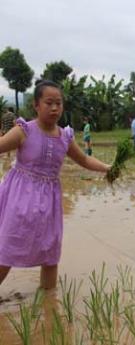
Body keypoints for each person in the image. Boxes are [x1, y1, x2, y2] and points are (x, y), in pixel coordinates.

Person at [0, 80, 111, 289]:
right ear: (36, 105)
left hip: (49, 202)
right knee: (7, 248)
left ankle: (49, 302)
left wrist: (108, 168)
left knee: (50, 251)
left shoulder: (65, 137)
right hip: (19, 198)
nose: (54, 108)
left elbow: (85, 160)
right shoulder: (24, 130)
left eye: (58, 103)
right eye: (49, 102)